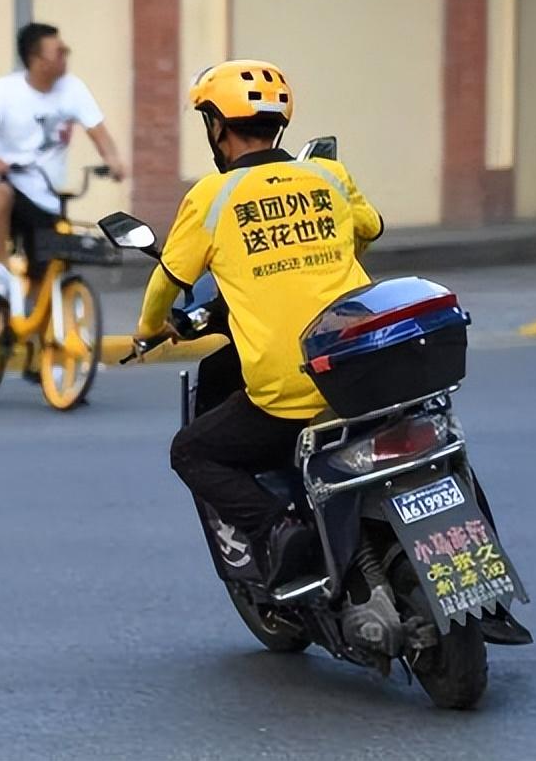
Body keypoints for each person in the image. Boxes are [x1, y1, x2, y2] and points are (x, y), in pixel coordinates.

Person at [136, 60, 383, 585]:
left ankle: (280, 530)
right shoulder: (328, 175)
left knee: (192, 452)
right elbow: (370, 227)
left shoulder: (212, 197)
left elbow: (168, 280)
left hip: (293, 392)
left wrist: (149, 329)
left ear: (217, 127)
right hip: (367, 371)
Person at [0, 22, 127, 316]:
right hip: (15, 187)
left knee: (44, 275)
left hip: (49, 197)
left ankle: (37, 345)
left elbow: (98, 131)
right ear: (37, 60)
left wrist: (113, 160)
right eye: (59, 52)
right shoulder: (3, 90)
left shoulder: (73, 89)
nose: (66, 56)